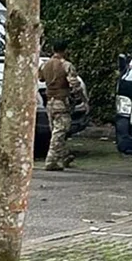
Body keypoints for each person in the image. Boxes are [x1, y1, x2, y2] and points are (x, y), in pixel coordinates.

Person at [38, 40, 87, 171]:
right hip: (61, 102)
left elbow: (40, 78)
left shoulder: (44, 65)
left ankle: (63, 156)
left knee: (55, 129)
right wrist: (82, 100)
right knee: (60, 132)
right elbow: (75, 85)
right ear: (65, 50)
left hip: (49, 102)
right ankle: (51, 160)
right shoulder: (66, 65)